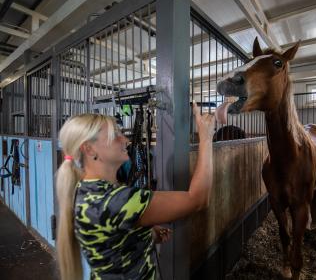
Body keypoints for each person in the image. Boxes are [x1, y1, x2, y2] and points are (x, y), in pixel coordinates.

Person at [56, 102, 215, 280]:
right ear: (89, 148)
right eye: (115, 135)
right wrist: (206, 138)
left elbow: (112, 241)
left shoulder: (84, 188)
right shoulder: (118, 200)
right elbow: (198, 199)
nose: (125, 139)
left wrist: (145, 233)